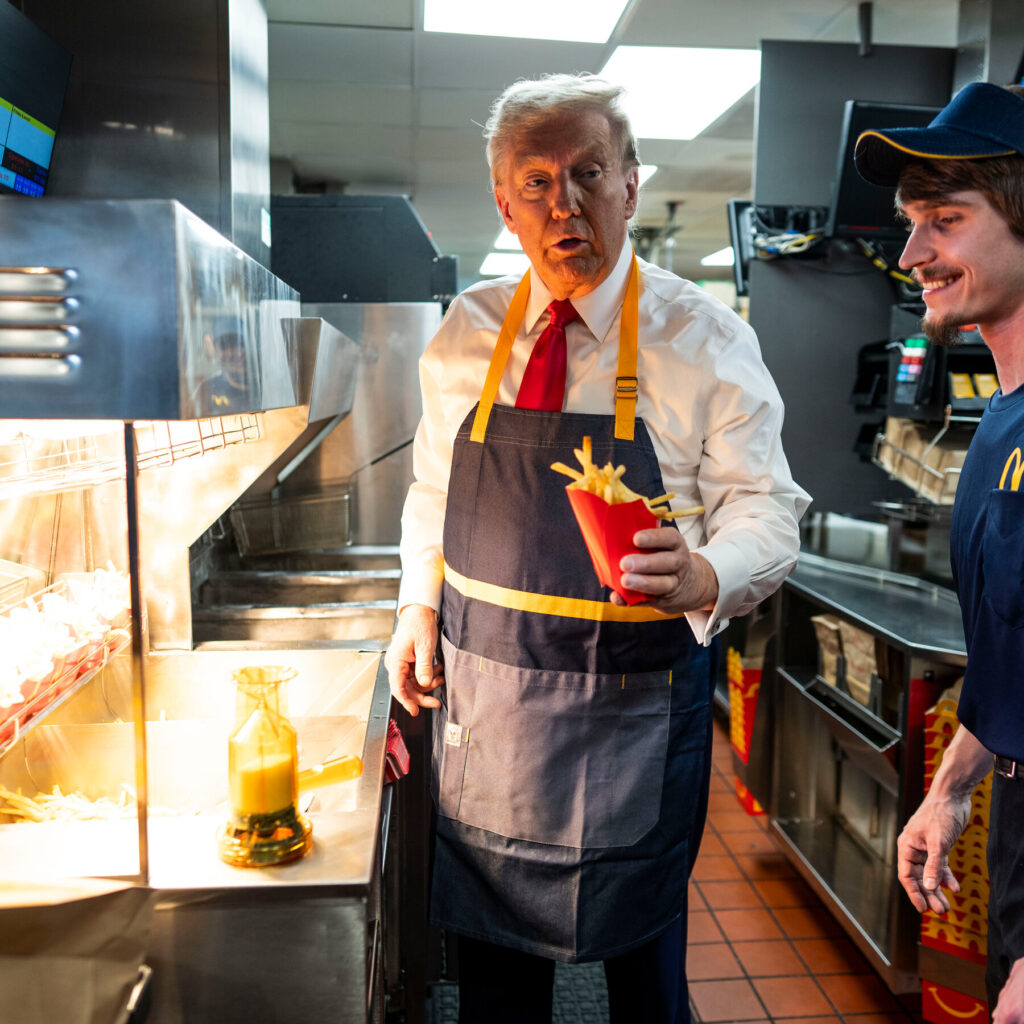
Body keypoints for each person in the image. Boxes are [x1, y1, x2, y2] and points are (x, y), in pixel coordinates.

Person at [385, 72, 808, 1024]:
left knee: (646, 990)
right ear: (505, 203)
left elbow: (768, 512)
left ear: (630, 184)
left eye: (587, 172)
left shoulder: (704, 339)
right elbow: (436, 491)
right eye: (535, 182)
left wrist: (705, 572)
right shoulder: (467, 333)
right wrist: (416, 604)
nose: (563, 203)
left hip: (633, 723)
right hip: (490, 720)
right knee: (496, 996)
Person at [855, 81, 1024, 1023]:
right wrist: (952, 788)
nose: (912, 254)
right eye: (911, 224)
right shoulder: (1000, 423)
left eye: (946, 221)